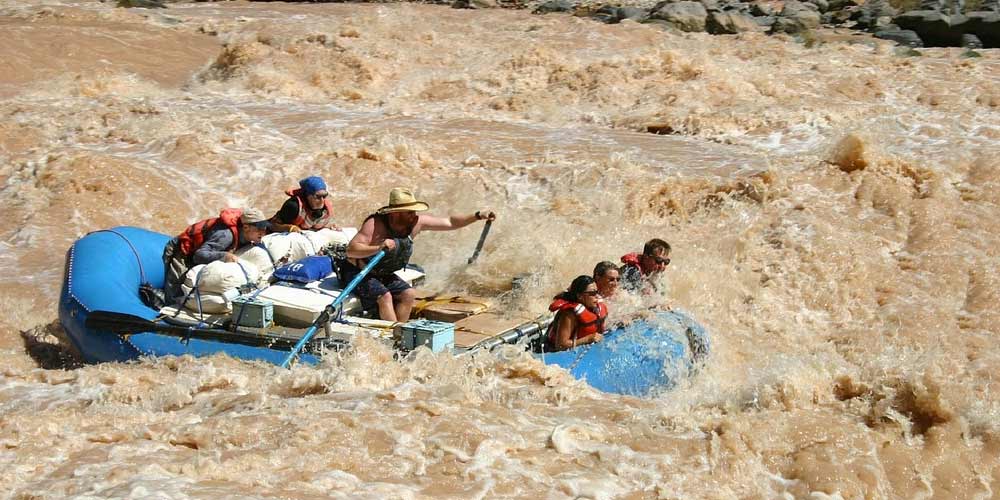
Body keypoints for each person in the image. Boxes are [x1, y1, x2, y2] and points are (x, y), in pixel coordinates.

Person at [342, 187, 495, 322]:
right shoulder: (375, 224)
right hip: (358, 272)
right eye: (409, 212)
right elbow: (351, 250)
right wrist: (378, 247)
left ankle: (399, 333)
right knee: (385, 296)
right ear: (395, 214)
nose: (414, 215)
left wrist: (477, 215)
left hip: (382, 273)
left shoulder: (415, 223)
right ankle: (392, 336)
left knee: (408, 294)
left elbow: (450, 222)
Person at [162, 208, 271, 302]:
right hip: (182, 250)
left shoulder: (247, 237)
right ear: (246, 227)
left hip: (201, 250)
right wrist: (224, 256)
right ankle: (166, 306)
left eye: (264, 228)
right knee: (176, 285)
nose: (263, 232)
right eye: (259, 229)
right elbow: (198, 255)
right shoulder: (226, 236)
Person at [546, 275, 607, 351]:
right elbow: (560, 345)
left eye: (597, 292)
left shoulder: (594, 307)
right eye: (592, 293)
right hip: (552, 351)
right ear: (580, 296)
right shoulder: (569, 314)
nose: (597, 296)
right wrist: (587, 339)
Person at [269, 176, 339, 233]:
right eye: (317, 196)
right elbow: (272, 225)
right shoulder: (293, 206)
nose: (322, 200)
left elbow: (313, 227)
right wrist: (290, 228)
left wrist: (329, 227)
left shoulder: (325, 209)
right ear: (307, 195)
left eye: (324, 196)